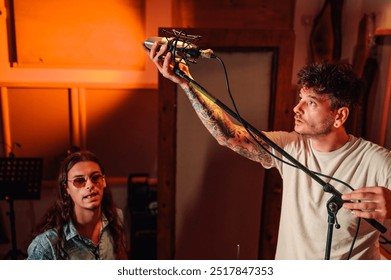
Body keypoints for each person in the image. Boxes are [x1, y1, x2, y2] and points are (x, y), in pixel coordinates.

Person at [146, 42, 391, 259]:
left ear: (339, 116)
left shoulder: (377, 161)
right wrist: (187, 83)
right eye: (300, 98)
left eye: (311, 102)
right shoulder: (290, 147)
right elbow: (230, 136)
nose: (297, 108)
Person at [27, 150, 127, 260]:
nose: (90, 185)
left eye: (95, 177)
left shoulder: (116, 217)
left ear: (104, 181)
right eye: (79, 181)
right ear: (66, 189)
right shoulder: (47, 245)